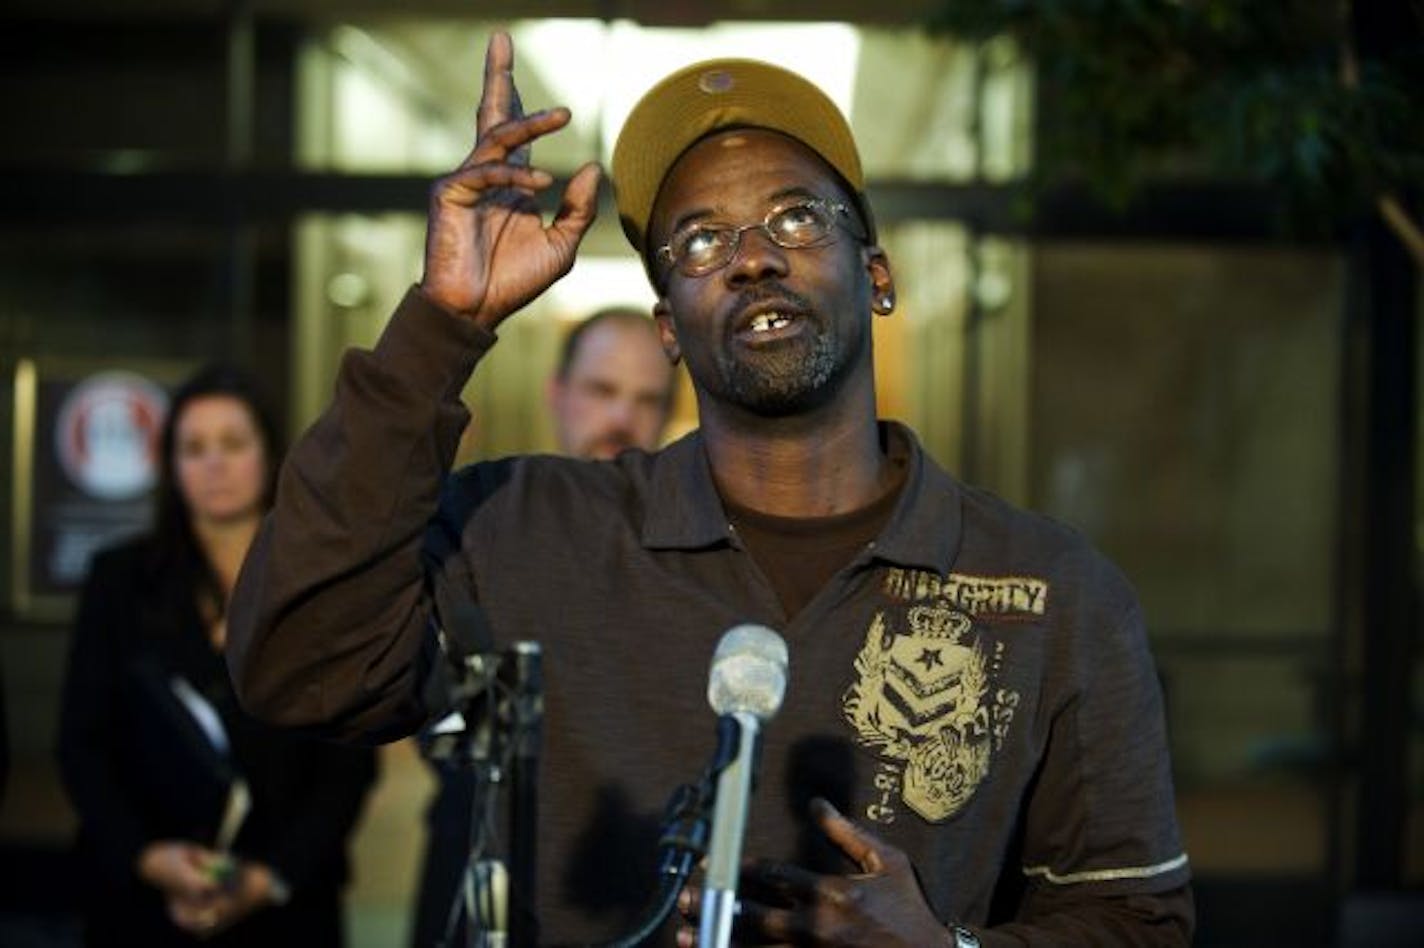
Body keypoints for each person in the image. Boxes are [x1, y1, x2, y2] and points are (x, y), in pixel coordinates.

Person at [228, 32, 1193, 947]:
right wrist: (441, 325)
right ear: (668, 327)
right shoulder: (529, 529)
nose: (752, 256)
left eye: (796, 217)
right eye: (698, 241)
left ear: (877, 274)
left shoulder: (1054, 589)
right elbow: (296, 666)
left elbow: (1138, 925)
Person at [58, 365, 377, 947]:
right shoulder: (120, 580)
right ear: (171, 466)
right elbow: (81, 742)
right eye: (194, 447)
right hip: (142, 900)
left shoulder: (320, 582)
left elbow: (350, 758)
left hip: (285, 902)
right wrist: (149, 858)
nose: (214, 464)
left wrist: (270, 877)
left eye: (233, 443)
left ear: (270, 453)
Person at [410, 307, 678, 947]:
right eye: (601, 390)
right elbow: (456, 736)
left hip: (633, 900)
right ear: (558, 395)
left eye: (647, 399)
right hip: (482, 881)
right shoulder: (480, 530)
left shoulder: (689, 562)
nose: (621, 419)